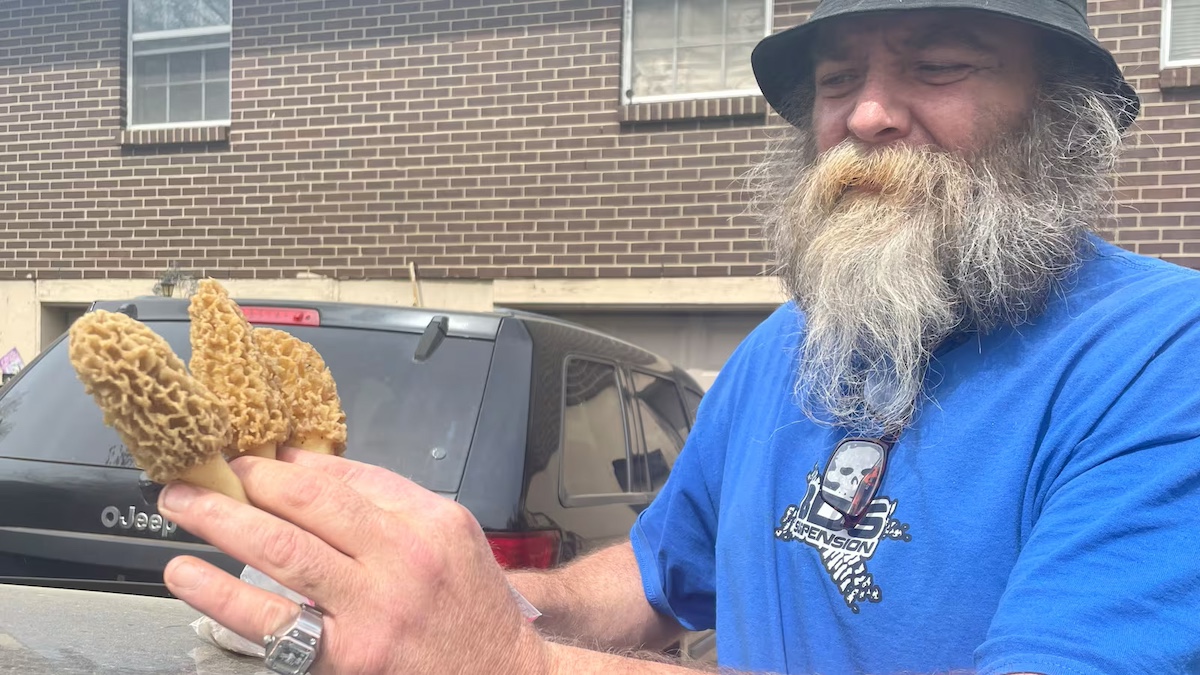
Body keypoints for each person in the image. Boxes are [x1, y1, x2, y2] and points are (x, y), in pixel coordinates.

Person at [152, 0, 1200, 673]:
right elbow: (660, 581)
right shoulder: (787, 352)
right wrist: (469, 598)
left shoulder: (1160, 356)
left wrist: (506, 662)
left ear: (1060, 115)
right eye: (837, 81)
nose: (868, 114)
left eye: (938, 66)